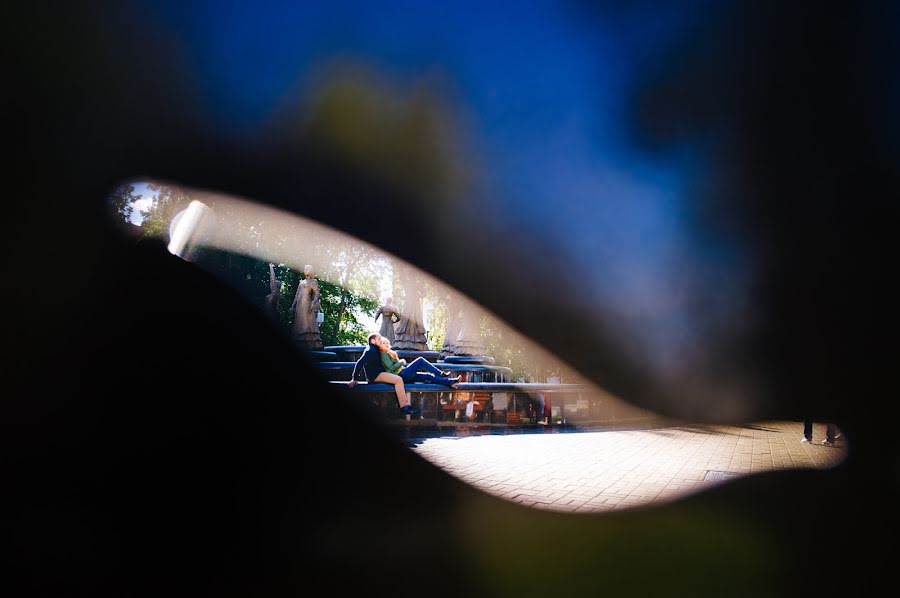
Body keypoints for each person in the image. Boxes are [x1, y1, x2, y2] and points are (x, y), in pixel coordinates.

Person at [348, 333, 420, 416]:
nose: (381, 340)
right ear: (373, 340)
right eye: (379, 339)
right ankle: (405, 407)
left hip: (380, 373)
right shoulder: (369, 350)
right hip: (376, 376)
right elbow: (360, 363)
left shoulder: (375, 348)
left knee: (400, 377)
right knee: (398, 380)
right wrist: (354, 378)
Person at [377, 336, 460, 388]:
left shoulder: (388, 353)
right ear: (380, 345)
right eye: (383, 343)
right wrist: (401, 362)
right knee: (420, 360)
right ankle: (441, 374)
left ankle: (451, 382)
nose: (386, 344)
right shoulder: (383, 354)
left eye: (387, 343)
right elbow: (391, 367)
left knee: (428, 376)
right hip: (401, 375)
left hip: (403, 374)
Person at [289, 264, 323, 349]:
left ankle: (313, 344)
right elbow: (297, 295)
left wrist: (313, 303)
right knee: (299, 324)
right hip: (299, 306)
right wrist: (293, 306)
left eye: (307, 269)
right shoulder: (301, 282)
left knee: (309, 324)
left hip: (308, 305)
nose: (305, 270)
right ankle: (299, 342)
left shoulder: (313, 282)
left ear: (311, 271)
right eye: (304, 269)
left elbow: (317, 294)